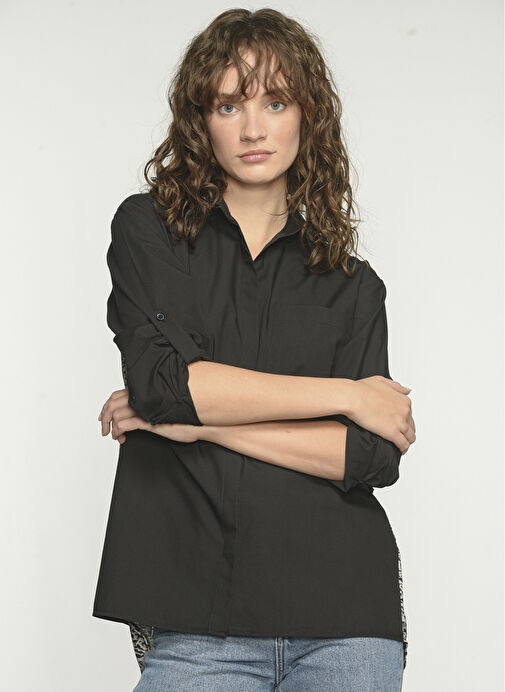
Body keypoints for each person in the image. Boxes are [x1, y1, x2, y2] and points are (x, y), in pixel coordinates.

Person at [94, 8, 415, 691]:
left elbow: (369, 456)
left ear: (307, 117)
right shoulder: (148, 230)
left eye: (275, 102)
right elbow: (163, 386)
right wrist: (346, 395)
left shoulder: (353, 285)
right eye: (228, 104)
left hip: (346, 617)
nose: (252, 129)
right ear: (200, 120)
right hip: (195, 620)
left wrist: (198, 424)